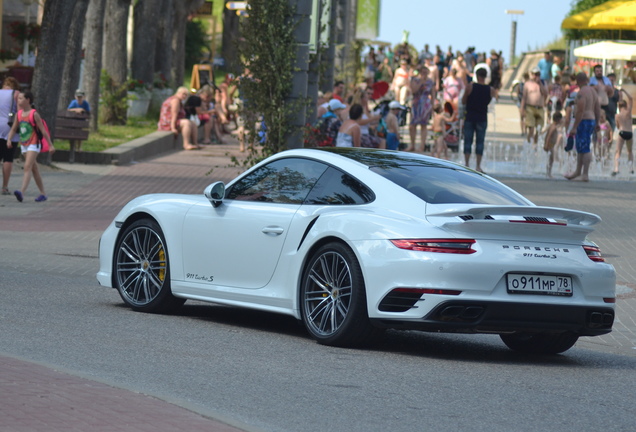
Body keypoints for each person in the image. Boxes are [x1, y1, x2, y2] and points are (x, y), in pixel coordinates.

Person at [6, 90, 54, 202]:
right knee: (34, 169)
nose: (18, 100)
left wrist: (50, 145)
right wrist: (9, 139)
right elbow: (13, 129)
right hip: (24, 144)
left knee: (27, 167)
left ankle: (21, 192)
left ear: (28, 100)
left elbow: (43, 130)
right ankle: (43, 193)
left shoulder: (34, 114)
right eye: (18, 98)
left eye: (21, 98)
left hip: (34, 144)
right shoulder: (19, 114)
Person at [565, 72, 600, 182]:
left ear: (577, 81)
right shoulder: (592, 91)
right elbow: (597, 107)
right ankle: (577, 172)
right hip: (591, 120)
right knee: (581, 147)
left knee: (584, 148)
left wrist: (574, 127)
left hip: (583, 121)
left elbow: (580, 110)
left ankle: (585, 174)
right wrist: (597, 122)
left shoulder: (581, 93)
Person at [462, 67, 496, 173]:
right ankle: (478, 166)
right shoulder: (490, 89)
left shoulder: (470, 87)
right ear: (486, 77)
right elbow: (489, 102)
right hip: (482, 117)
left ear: (476, 76)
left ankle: (467, 164)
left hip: (470, 116)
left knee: (468, 140)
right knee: (480, 141)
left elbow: (463, 101)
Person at [0, 77, 20, 195]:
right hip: (9, 126)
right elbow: (19, 112)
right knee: (8, 158)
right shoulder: (16, 94)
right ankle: (4, 187)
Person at [520, 67, 548, 146]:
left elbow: (545, 93)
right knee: (531, 129)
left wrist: (540, 84)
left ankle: (535, 144)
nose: (536, 76)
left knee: (539, 130)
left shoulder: (543, 83)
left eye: (537, 74)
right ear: (531, 74)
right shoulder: (527, 84)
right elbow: (524, 97)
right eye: (534, 74)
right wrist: (522, 109)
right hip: (530, 108)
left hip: (540, 108)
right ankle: (529, 145)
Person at [612, 89, 633, 176]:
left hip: (622, 132)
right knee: (630, 151)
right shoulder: (628, 112)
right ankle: (631, 169)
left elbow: (617, 126)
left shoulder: (617, 115)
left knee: (618, 151)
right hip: (629, 133)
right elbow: (631, 99)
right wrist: (624, 91)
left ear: (619, 107)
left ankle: (616, 169)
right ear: (626, 105)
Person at [543, 112, 563, 179]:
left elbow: (545, 132)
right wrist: (546, 145)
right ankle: (548, 173)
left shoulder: (552, 126)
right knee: (551, 159)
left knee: (550, 159)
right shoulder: (553, 127)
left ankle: (548, 172)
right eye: (561, 119)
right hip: (550, 145)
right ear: (558, 119)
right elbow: (549, 136)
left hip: (551, 145)